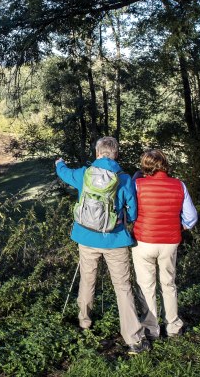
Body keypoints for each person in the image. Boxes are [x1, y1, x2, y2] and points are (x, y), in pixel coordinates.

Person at [55, 136, 149, 354]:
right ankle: (133, 339)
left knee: (88, 280)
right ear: (115, 154)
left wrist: (59, 163)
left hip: (86, 238)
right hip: (115, 240)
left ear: (97, 153)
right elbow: (133, 212)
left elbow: (64, 173)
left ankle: (84, 322)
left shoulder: (84, 174)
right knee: (123, 287)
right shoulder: (124, 178)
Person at [131, 149, 198, 340]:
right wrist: (181, 227)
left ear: (145, 165)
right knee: (168, 284)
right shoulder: (179, 185)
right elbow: (191, 217)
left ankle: (151, 329)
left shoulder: (138, 185)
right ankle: (173, 326)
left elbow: (131, 212)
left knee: (146, 286)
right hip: (170, 241)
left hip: (144, 241)